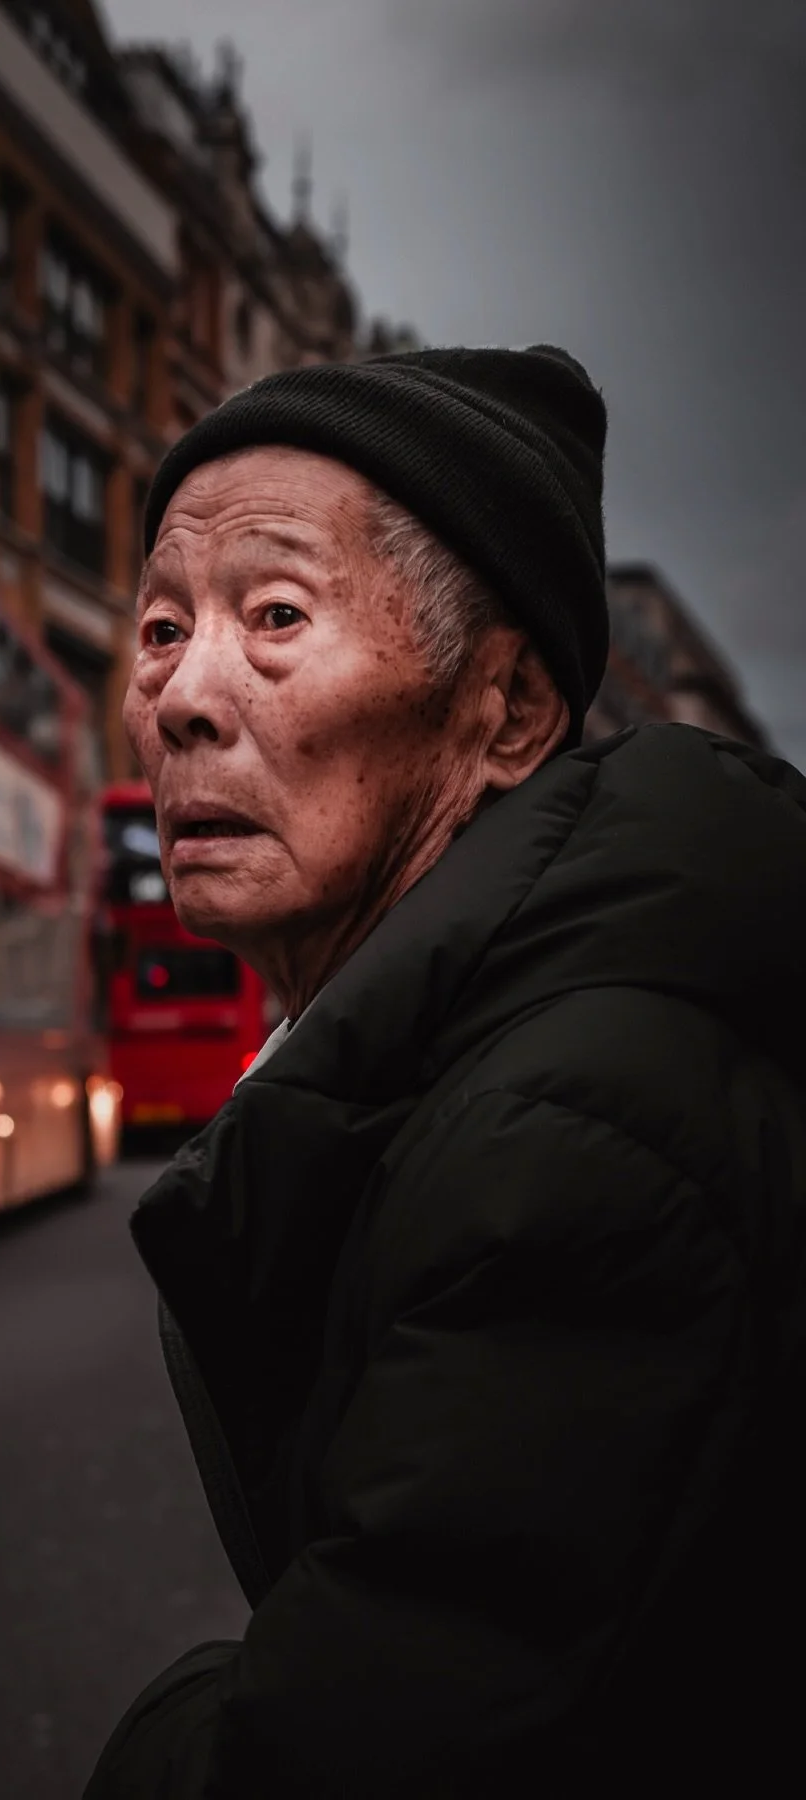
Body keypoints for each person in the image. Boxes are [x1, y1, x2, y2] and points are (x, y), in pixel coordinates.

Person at [84, 346, 806, 1797]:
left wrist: (153, 1733)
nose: (181, 697)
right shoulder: (503, 1057)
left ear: (508, 711)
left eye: (277, 617)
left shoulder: (578, 1139)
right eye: (162, 628)